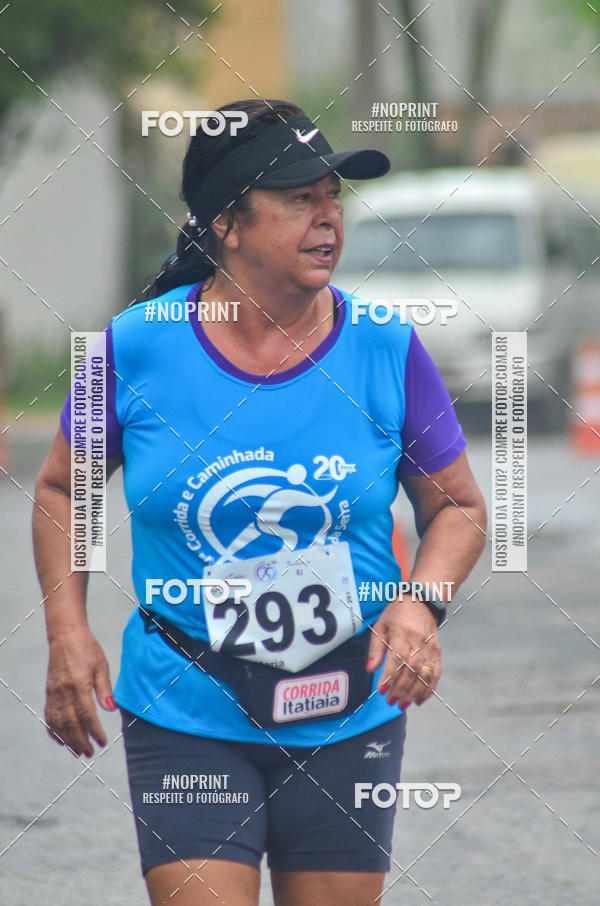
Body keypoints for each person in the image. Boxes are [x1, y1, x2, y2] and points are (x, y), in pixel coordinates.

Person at [33, 99, 487, 906]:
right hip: (186, 703)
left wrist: (421, 606)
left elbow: (458, 507)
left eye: (334, 196)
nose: (328, 219)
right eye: (300, 199)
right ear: (230, 223)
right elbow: (63, 486)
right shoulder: (133, 347)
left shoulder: (385, 344)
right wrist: (67, 634)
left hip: (349, 707)